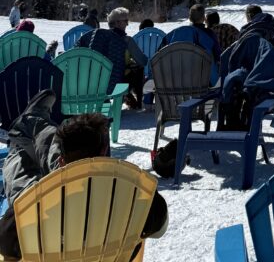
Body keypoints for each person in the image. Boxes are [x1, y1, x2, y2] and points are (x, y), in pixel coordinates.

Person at [0, 95, 168, 261]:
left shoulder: (36, 205)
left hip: (48, 201)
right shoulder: (133, 195)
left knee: (19, 165)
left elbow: (6, 246)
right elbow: (160, 228)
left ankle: (26, 130)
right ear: (104, 152)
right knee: (56, 147)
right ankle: (33, 121)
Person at [78, 7, 147, 106]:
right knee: (138, 69)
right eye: (126, 21)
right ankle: (135, 101)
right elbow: (143, 61)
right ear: (117, 23)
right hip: (116, 83)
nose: (127, 24)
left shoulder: (98, 38)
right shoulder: (127, 40)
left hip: (92, 81)